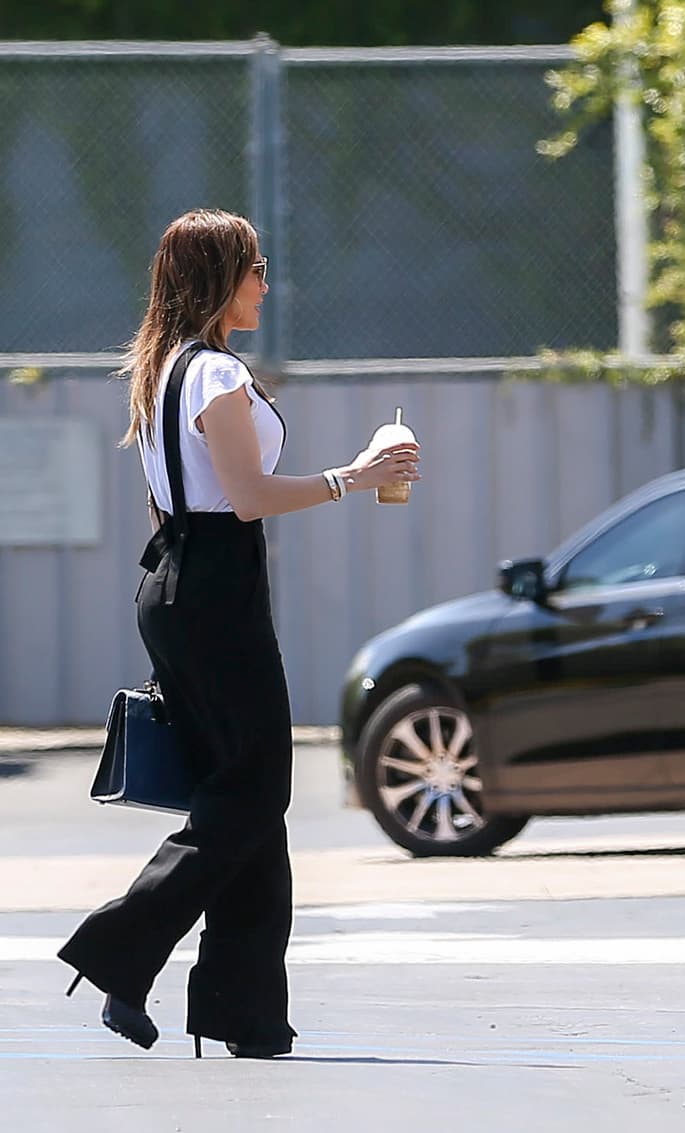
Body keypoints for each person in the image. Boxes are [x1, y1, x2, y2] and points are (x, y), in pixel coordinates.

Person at [59, 208, 420, 1058]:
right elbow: (249, 495)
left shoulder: (165, 371)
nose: (266, 281)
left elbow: (179, 499)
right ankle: (120, 949)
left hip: (180, 578)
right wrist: (354, 477)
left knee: (250, 795)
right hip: (213, 586)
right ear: (221, 279)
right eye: (255, 267)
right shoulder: (215, 376)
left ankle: (244, 1011)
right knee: (254, 788)